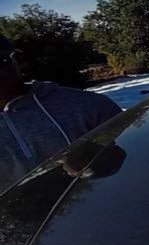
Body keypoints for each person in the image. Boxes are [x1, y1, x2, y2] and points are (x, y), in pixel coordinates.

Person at [1, 35, 122, 191]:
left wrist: (100, 162)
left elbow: (138, 153)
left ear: (16, 60)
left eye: (0, 61)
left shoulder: (87, 105)